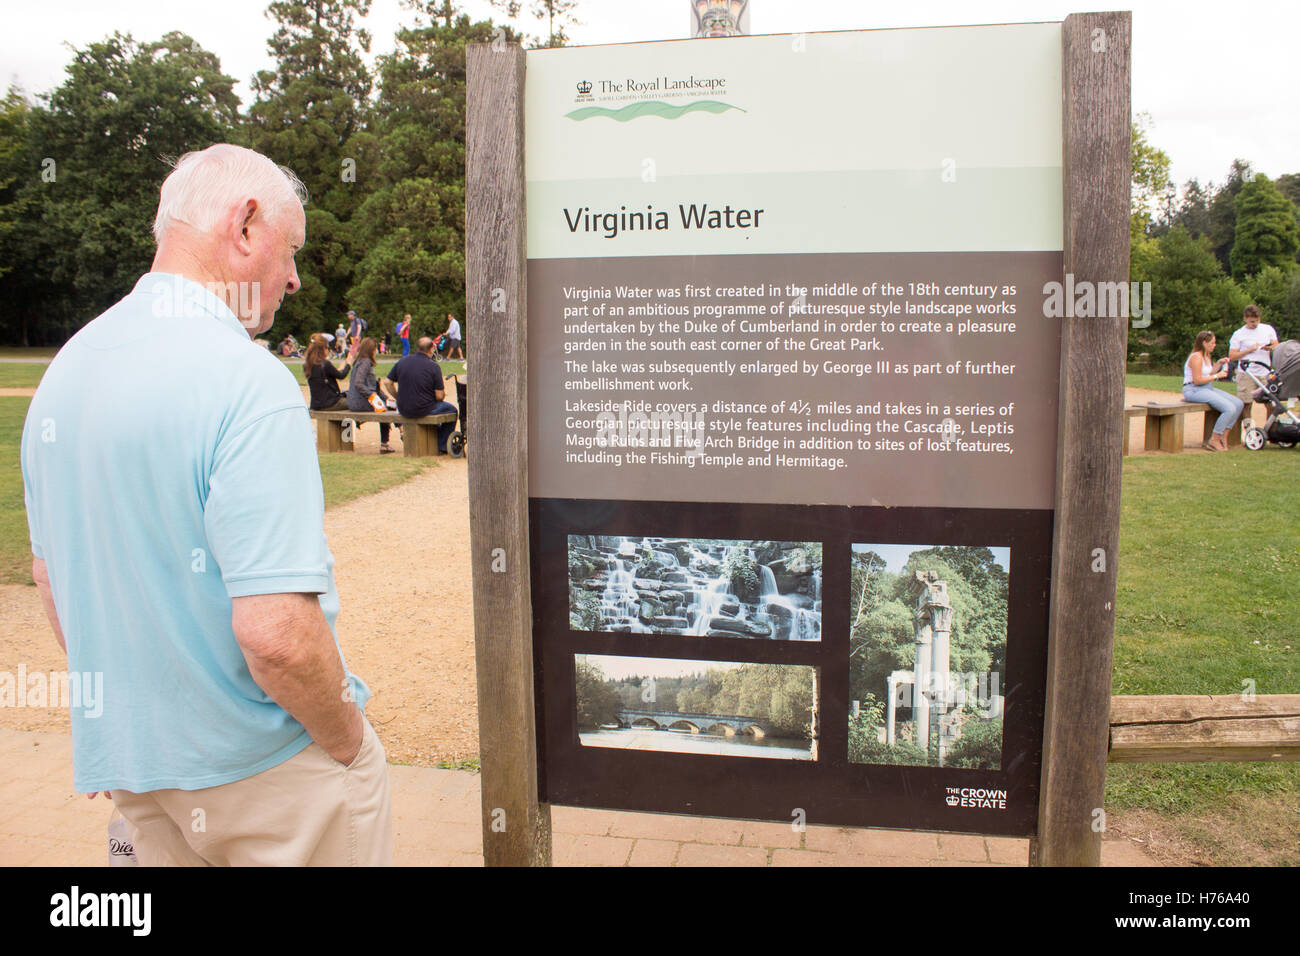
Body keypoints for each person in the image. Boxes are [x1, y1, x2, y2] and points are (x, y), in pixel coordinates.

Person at [20, 143, 392, 866]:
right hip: (266, 774)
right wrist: (348, 740)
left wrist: (127, 727)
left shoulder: (66, 371)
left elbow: (51, 577)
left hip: (140, 770)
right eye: (291, 250)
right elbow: (277, 635)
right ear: (246, 225)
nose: (292, 276)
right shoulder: (246, 380)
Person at [384, 336, 459, 453]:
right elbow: (439, 396)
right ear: (431, 350)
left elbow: (387, 382)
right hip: (423, 409)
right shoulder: (433, 366)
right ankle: (441, 445)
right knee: (452, 410)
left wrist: (398, 397)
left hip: (404, 408)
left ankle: (434, 439)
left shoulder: (402, 361)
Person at [1183, 330, 1243, 452]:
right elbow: (1197, 380)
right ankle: (1214, 439)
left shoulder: (1206, 356)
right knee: (1229, 408)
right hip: (1193, 390)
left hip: (1206, 388)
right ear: (1204, 343)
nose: (1214, 345)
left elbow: (1208, 373)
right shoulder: (1196, 357)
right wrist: (1218, 376)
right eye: (1212, 343)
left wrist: (1219, 364)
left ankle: (1223, 436)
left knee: (1238, 403)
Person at [1228, 304, 1279, 429]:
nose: (1255, 324)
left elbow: (1276, 344)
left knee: (1270, 402)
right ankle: (1249, 431)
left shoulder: (1268, 329)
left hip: (1265, 372)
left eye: (1257, 321)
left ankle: (1270, 429)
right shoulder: (1239, 334)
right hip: (1246, 373)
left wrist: (1270, 347)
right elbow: (1232, 356)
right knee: (1246, 403)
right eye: (1252, 322)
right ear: (1245, 319)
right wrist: (1249, 350)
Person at [348, 336, 395, 454]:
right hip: (360, 403)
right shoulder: (365, 363)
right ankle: (386, 442)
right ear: (371, 350)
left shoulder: (359, 362)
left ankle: (397, 432)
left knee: (388, 404)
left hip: (354, 402)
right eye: (375, 349)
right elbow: (359, 383)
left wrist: (385, 397)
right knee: (387, 409)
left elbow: (375, 387)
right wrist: (373, 397)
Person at [306, 337, 359, 410]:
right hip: (330, 403)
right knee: (357, 403)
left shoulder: (309, 364)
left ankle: (343, 421)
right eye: (327, 348)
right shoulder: (325, 363)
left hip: (316, 404)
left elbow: (326, 375)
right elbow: (341, 376)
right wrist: (348, 364)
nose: (329, 350)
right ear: (322, 349)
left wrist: (340, 368)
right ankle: (350, 421)